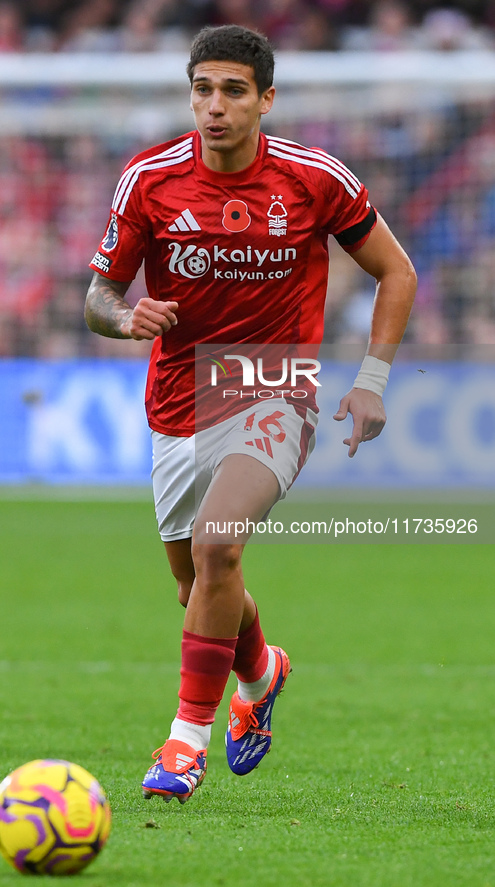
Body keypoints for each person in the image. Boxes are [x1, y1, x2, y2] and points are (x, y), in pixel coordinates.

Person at [84, 24, 417, 803]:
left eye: (233, 90)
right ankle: (262, 671)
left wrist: (370, 380)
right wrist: (123, 315)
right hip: (176, 401)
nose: (215, 106)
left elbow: (395, 273)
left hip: (276, 387)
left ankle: (183, 742)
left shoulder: (312, 178)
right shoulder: (149, 179)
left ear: (266, 99)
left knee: (217, 547)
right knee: (195, 579)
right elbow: (96, 297)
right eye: (202, 89)